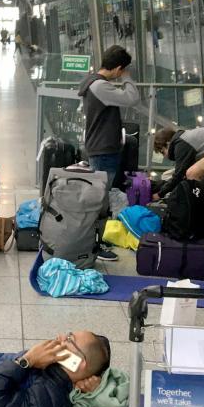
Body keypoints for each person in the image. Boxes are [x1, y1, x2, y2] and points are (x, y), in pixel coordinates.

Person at [77, 45, 139, 262]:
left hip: (100, 147)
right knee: (100, 201)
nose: (122, 75)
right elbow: (132, 98)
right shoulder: (100, 86)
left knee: (100, 197)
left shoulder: (93, 82)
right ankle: (95, 244)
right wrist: (128, 78)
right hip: (103, 149)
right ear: (118, 68)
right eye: (122, 71)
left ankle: (95, 240)